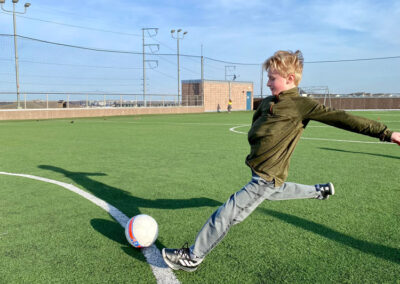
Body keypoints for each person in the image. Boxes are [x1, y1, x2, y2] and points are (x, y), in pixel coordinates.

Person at [162, 50, 400, 272]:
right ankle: (320, 191)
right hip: (261, 172)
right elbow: (258, 124)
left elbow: (343, 118)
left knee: (226, 213)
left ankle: (193, 257)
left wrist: (386, 133)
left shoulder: (301, 105)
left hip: (266, 176)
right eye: (267, 77)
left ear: (289, 78)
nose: (267, 83)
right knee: (278, 191)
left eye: (271, 78)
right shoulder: (267, 102)